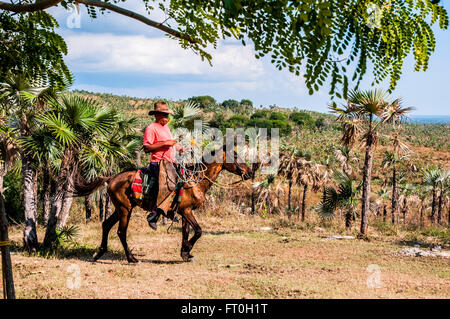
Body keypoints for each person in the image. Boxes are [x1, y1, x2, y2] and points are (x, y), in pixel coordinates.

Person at [143, 101, 183, 230]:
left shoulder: (166, 128)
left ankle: (171, 210)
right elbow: (147, 147)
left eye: (167, 116)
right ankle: (154, 214)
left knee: (182, 181)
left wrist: (181, 148)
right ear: (157, 115)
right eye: (164, 115)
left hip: (169, 162)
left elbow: (171, 143)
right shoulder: (151, 128)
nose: (166, 118)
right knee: (168, 185)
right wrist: (165, 143)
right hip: (158, 162)